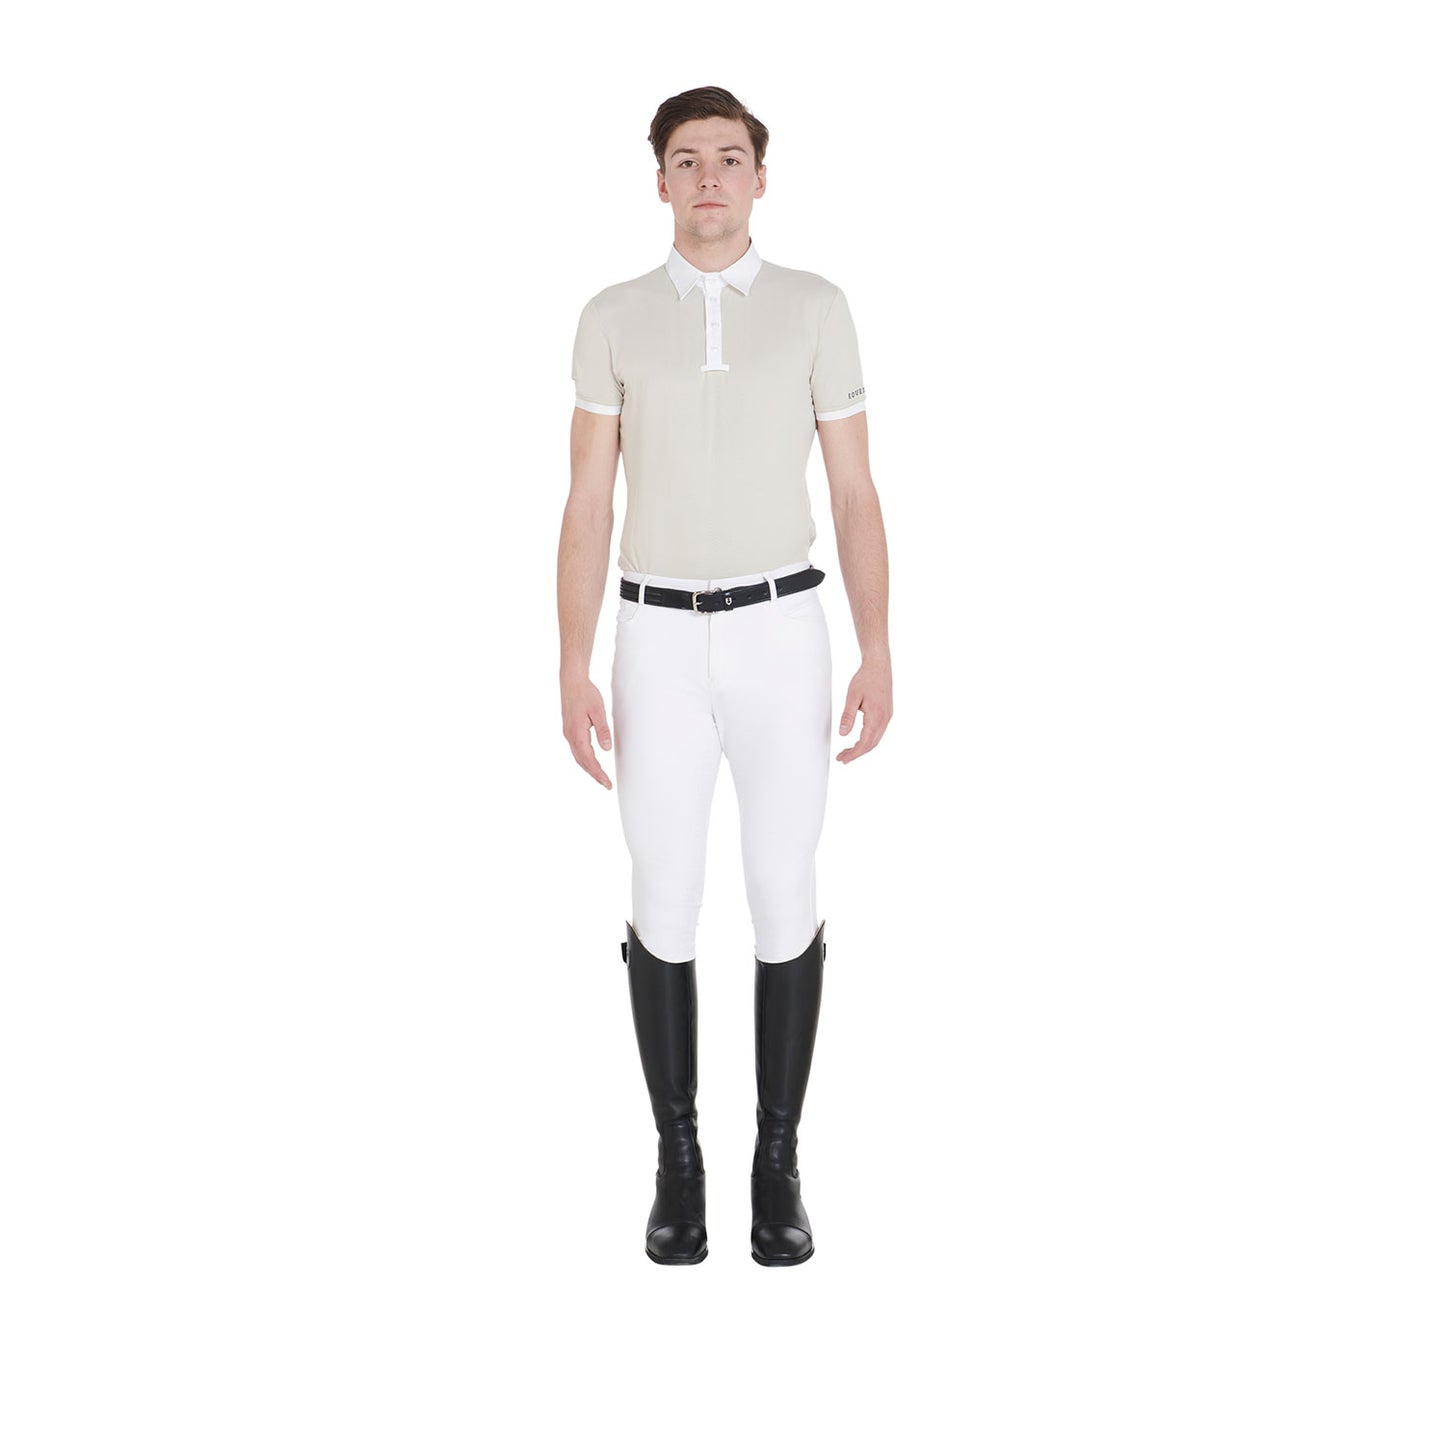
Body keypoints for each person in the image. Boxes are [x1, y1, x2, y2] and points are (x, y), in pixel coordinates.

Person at [556, 86, 892, 1266]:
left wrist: (876, 643)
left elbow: (852, 489)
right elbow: (587, 499)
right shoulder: (611, 316)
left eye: (730, 158)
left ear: (759, 177)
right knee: (662, 889)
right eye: (688, 159)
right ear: (659, 180)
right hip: (654, 632)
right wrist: (570, 659)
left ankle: (777, 1160)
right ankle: (678, 1159)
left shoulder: (813, 308)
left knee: (782, 885)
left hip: (780, 626)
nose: (709, 177)